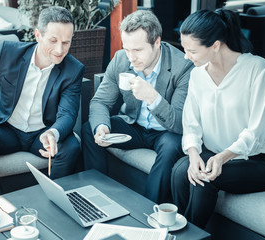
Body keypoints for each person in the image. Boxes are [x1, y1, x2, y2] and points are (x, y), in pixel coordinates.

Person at [0, 6, 84, 197]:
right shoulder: (8, 53)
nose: (60, 50)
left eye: (66, 42)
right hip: (6, 130)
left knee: (71, 146)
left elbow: (68, 113)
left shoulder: (73, 69)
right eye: (53, 40)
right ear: (38, 35)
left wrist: (53, 133)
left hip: (41, 133)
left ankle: (53, 200)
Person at [171, 9, 265, 228]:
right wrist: (193, 155)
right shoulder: (197, 74)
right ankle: (182, 230)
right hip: (213, 154)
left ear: (215, 45)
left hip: (257, 162)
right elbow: (191, 124)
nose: (186, 56)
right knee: (180, 170)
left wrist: (222, 158)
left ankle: (188, 235)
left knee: (206, 179)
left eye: (191, 50)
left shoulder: (256, 68)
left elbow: (255, 133)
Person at [82, 10, 193, 203]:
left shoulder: (182, 67)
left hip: (165, 131)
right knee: (89, 130)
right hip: (134, 126)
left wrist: (152, 97)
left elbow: (178, 123)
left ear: (157, 42)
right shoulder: (121, 59)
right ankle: (97, 196)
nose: (131, 57)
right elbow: (100, 101)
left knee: (171, 146)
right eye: (127, 49)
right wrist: (102, 127)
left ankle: (150, 209)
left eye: (138, 50)